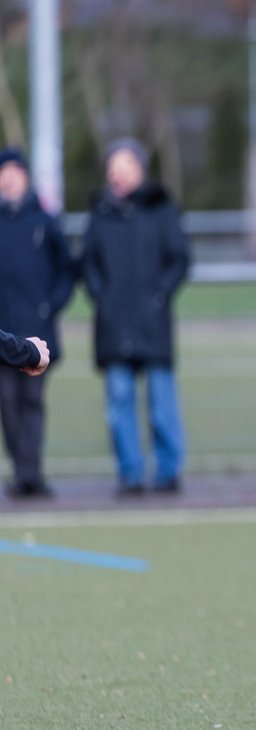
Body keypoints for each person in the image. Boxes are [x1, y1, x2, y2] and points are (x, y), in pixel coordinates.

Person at [81, 138, 191, 496]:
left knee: (162, 405)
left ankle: (168, 471)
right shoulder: (100, 213)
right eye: (113, 166)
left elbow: (180, 258)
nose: (118, 172)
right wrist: (103, 296)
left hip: (152, 322)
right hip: (114, 324)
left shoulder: (161, 209)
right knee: (119, 403)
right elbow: (89, 262)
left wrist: (160, 294)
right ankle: (130, 474)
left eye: (125, 164)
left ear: (140, 168)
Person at [0, 147, 72, 498]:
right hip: (3, 336)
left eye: (14, 170)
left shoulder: (45, 221)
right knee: (8, 407)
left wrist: (49, 307)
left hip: (37, 332)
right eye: (3, 171)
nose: (8, 177)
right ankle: (20, 469)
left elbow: (67, 270)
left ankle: (32, 474)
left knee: (33, 404)